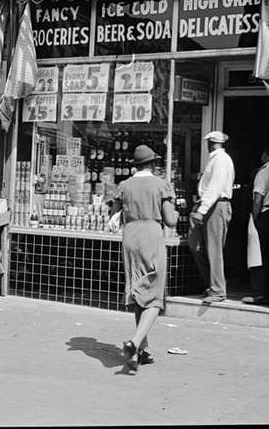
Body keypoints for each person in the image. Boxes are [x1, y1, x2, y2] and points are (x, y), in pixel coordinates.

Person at [118, 145, 178, 372]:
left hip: (130, 235)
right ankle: (134, 342)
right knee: (154, 296)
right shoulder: (160, 185)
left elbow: (117, 211)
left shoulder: (125, 185)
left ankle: (141, 352)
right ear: (153, 163)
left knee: (136, 291)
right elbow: (170, 220)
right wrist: (179, 213)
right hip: (151, 236)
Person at [190, 131, 235, 303]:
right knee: (197, 245)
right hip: (209, 204)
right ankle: (211, 284)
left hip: (216, 205)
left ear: (210, 142)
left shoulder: (221, 160)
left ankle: (217, 289)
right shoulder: (215, 159)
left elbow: (215, 187)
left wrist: (202, 209)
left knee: (214, 249)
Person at [243, 146, 269, 305]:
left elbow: (258, 198)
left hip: (264, 214)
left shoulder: (263, 172)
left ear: (264, 155)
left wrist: (254, 218)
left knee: (258, 255)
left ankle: (260, 294)